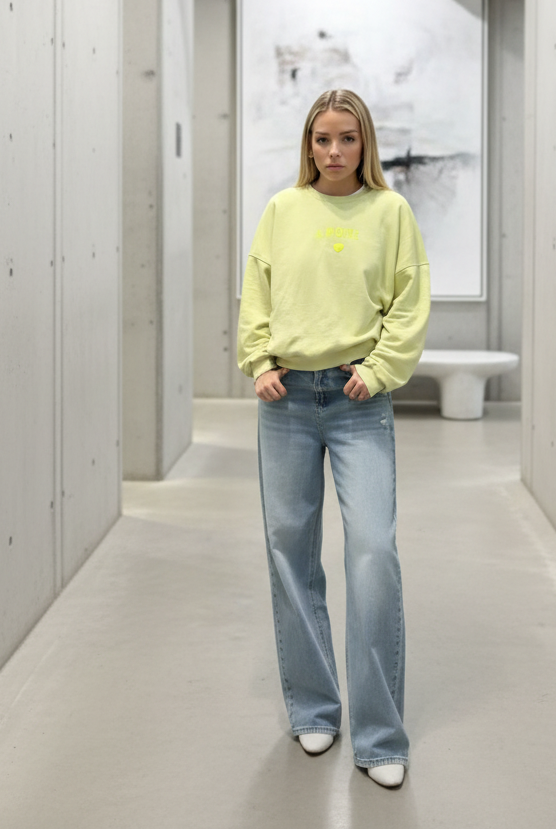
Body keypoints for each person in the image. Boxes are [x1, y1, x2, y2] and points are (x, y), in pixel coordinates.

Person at [237, 89, 430, 787]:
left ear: (365, 142)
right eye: (323, 138)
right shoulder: (283, 209)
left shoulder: (391, 212)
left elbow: (409, 303)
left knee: (373, 552)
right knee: (291, 552)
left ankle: (381, 737)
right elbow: (257, 294)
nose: (334, 150)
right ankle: (315, 707)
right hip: (285, 399)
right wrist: (259, 361)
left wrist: (378, 370)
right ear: (309, 144)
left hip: (358, 400)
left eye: (348, 138)